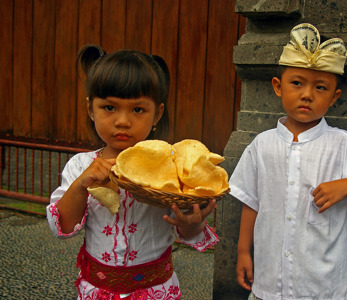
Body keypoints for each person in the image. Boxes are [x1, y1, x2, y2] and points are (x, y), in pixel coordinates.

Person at [230, 23, 347, 300]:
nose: (307, 94)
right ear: (278, 87)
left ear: (334, 97)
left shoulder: (342, 144)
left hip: (324, 282)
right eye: (297, 83)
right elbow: (251, 201)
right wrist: (244, 251)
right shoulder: (262, 145)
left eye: (320, 87)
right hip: (271, 277)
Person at [46, 45, 218, 300]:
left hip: (155, 291)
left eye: (137, 110)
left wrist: (191, 223)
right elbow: (64, 225)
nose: (123, 121)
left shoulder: (170, 167)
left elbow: (187, 227)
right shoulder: (81, 166)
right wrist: (82, 185)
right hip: (98, 289)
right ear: (91, 108)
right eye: (109, 107)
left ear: (157, 113)